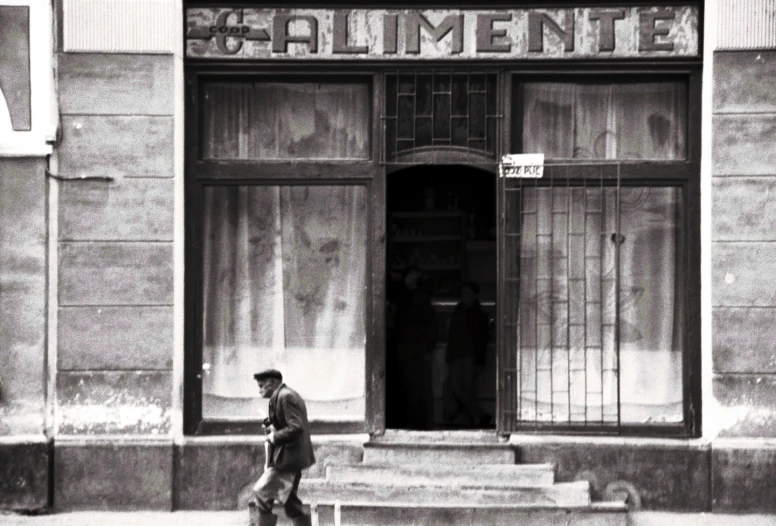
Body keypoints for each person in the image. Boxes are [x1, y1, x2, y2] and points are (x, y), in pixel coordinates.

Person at [252, 369, 316, 526]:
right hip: (289, 456)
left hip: (288, 458)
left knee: (261, 491)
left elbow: (296, 427)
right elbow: (288, 424)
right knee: (290, 501)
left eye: (261, 386)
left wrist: (274, 436)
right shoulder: (281, 396)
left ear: (272, 383)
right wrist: (270, 425)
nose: (259, 390)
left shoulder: (286, 396)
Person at [392, 266, 437, 429]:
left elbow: (429, 325)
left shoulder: (410, 297)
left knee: (413, 385)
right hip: (414, 347)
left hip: (411, 347)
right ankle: (419, 423)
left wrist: (429, 348)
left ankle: (416, 423)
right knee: (415, 385)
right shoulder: (415, 297)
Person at [444, 281, 491, 428]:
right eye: (463, 294)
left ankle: (470, 418)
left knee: (462, 388)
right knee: (460, 388)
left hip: (468, 356)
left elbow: (481, 340)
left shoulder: (477, 315)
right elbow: (452, 334)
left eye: (467, 294)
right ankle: (479, 415)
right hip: (460, 355)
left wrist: (479, 361)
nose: (464, 296)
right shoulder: (461, 311)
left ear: (475, 296)